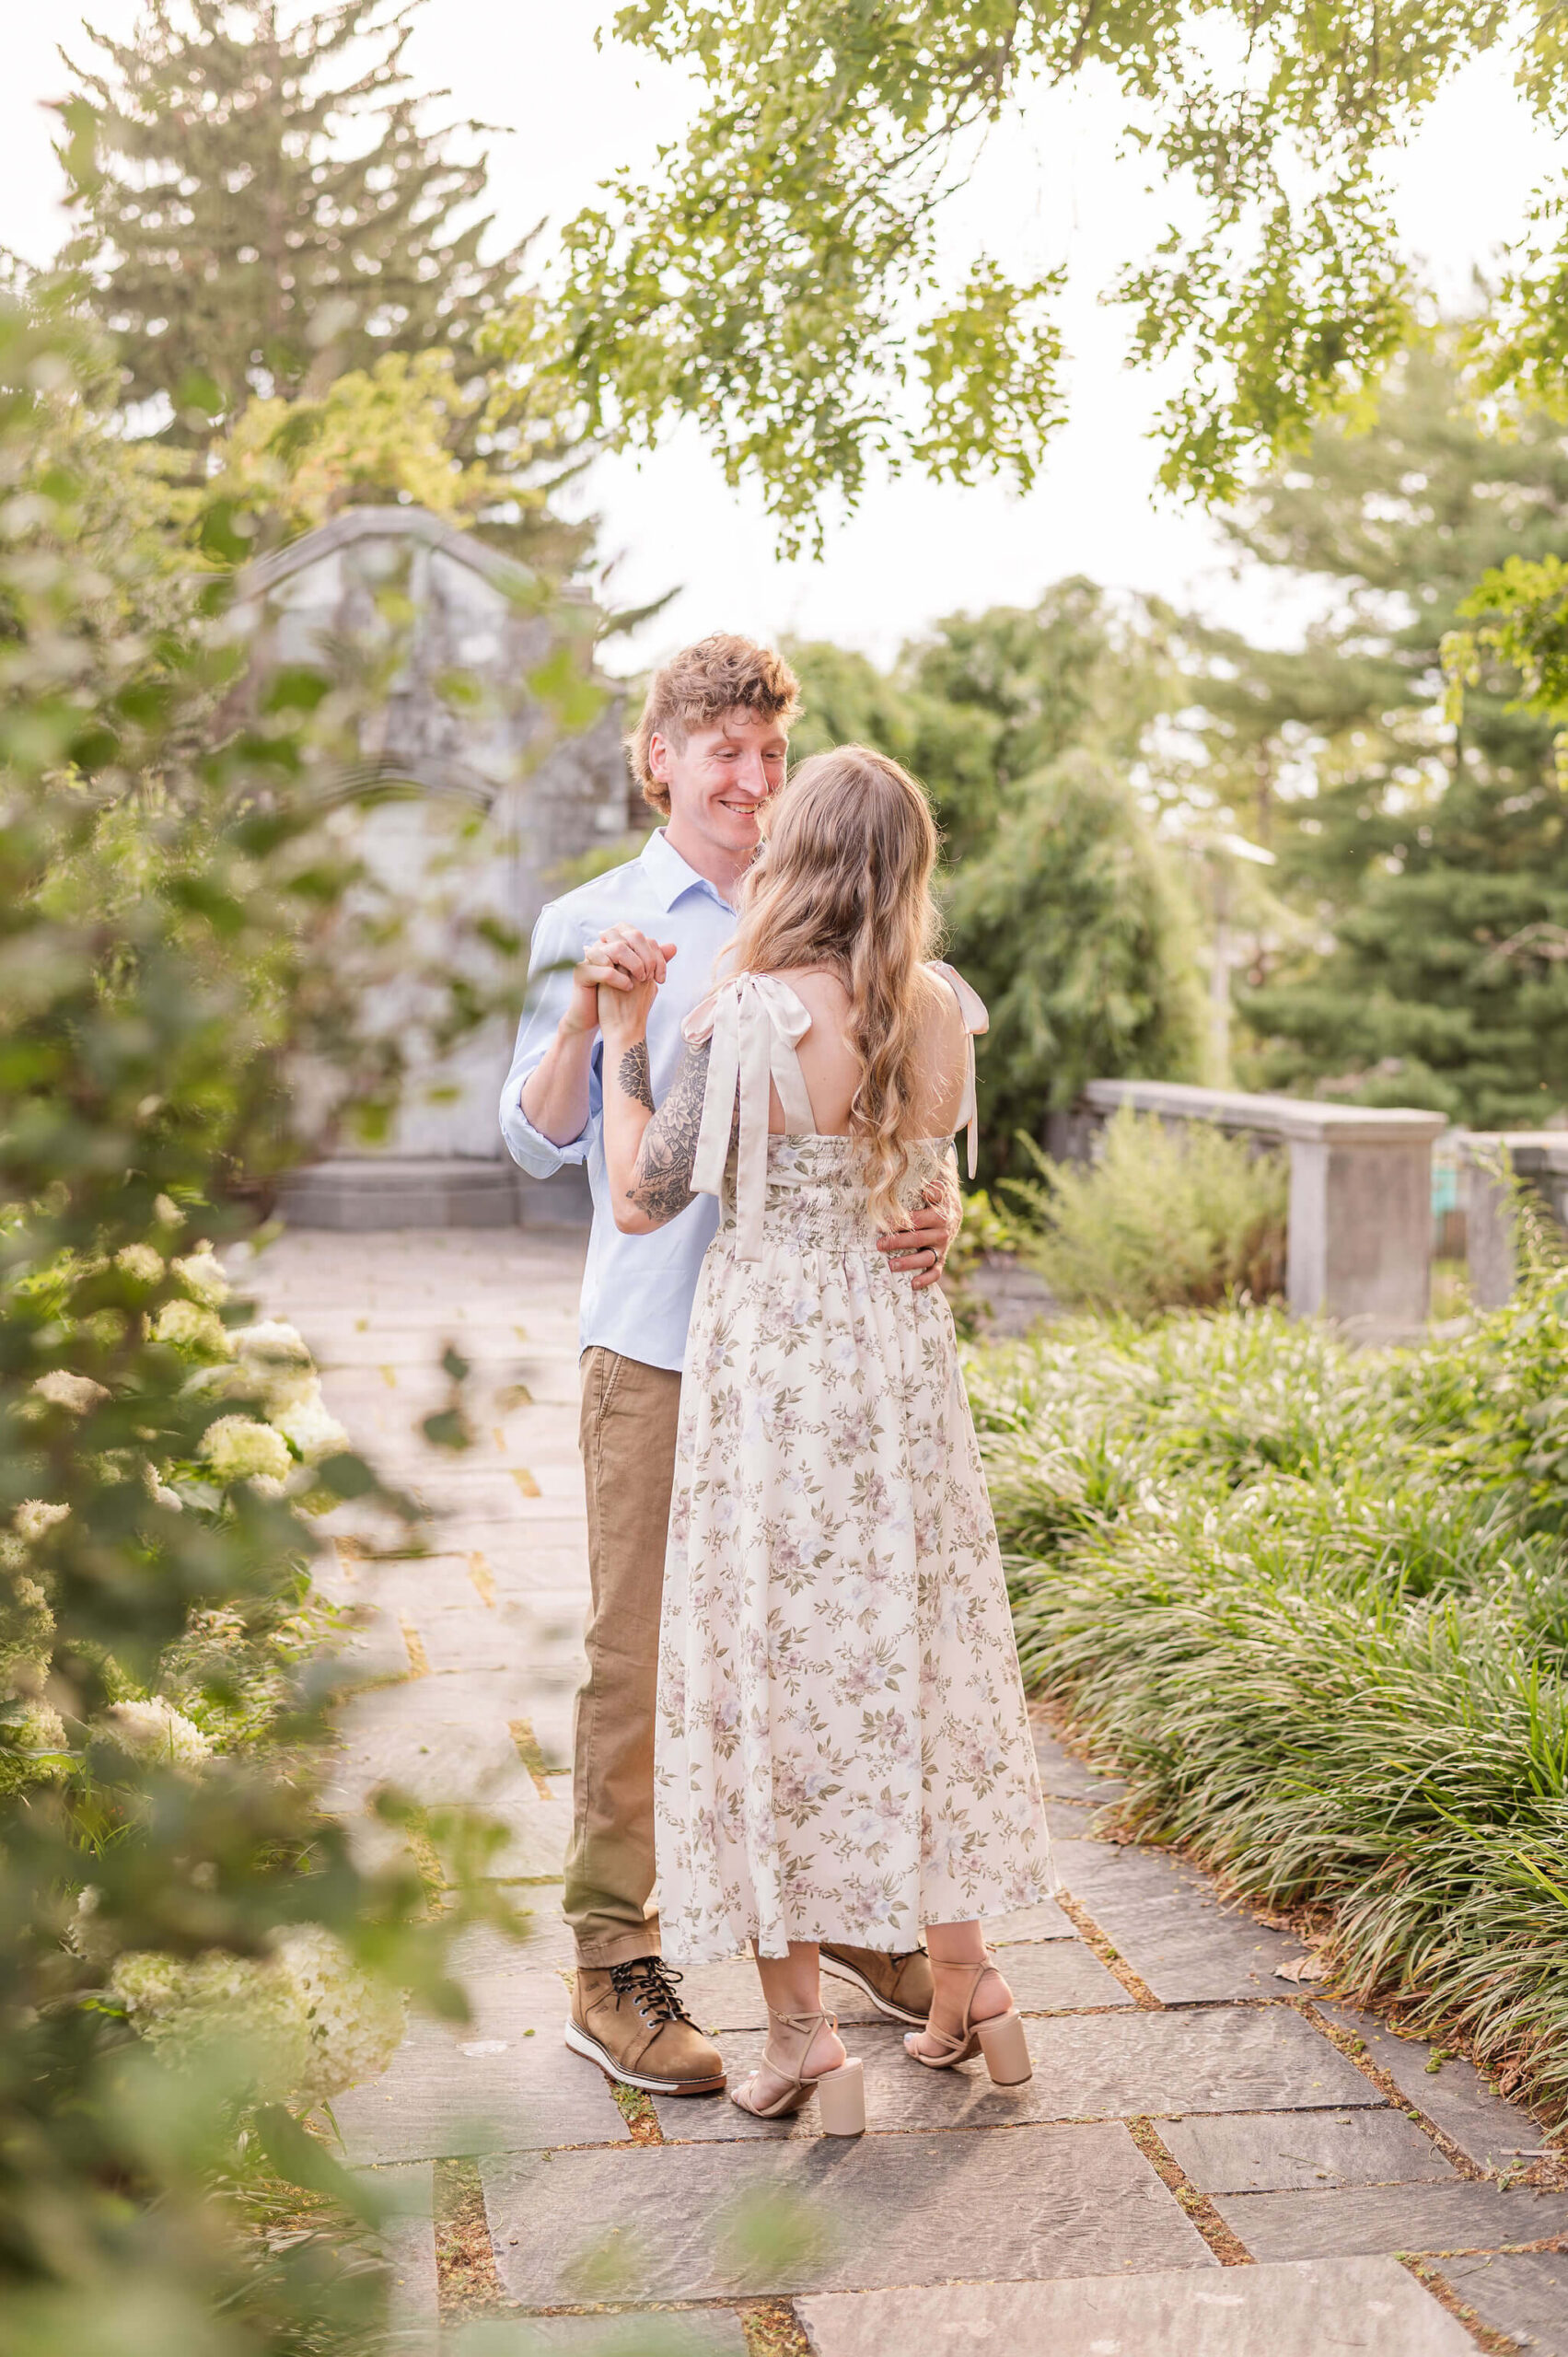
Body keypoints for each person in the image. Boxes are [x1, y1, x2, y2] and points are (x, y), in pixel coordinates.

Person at [499, 640, 961, 2097]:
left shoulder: (825, 914)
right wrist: (590, 1016)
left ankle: (839, 1930)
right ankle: (612, 1962)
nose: (752, 783)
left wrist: (938, 1207)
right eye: (724, 756)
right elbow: (538, 1135)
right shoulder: (600, 918)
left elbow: (899, 1113)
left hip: (817, 1362)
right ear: (662, 761)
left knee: (827, 1643)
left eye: (771, 756)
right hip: (660, 1345)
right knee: (642, 1661)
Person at [597, 746, 1053, 2131]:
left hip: (775, 1386)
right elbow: (922, 1184)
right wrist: (937, 1221)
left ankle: (800, 2039)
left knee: (767, 1672)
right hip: (899, 1376)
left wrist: (626, 1038)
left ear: (793, 859)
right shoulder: (939, 1014)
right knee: (918, 1648)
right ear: (911, 867)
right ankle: (969, 1983)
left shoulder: (739, 1021)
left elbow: (637, 1198)